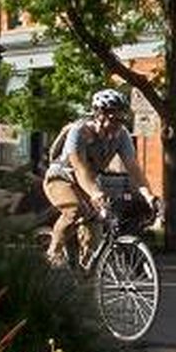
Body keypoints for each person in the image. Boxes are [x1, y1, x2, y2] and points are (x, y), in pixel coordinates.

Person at [44, 89, 152, 267]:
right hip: (61, 177)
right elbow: (79, 168)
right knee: (75, 210)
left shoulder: (121, 135)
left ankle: (86, 271)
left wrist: (149, 196)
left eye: (121, 117)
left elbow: (133, 167)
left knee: (96, 223)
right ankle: (53, 252)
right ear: (98, 114)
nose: (117, 122)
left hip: (89, 182)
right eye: (112, 117)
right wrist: (95, 193)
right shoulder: (79, 132)